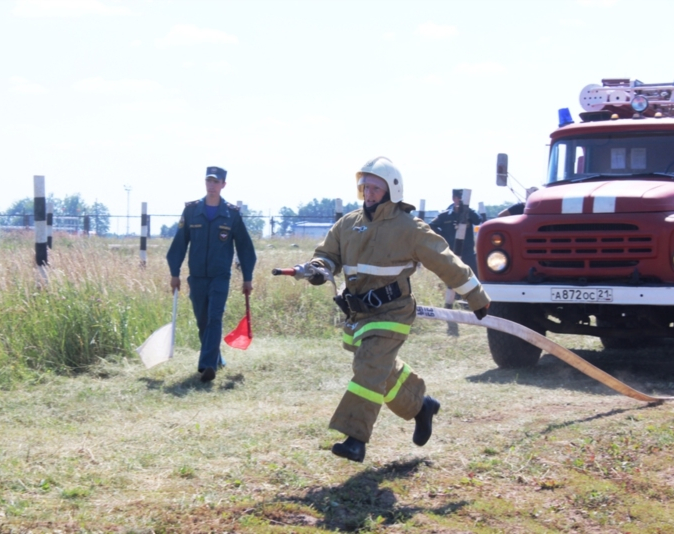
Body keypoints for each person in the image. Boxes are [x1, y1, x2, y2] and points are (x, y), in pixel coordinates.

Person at [297, 157, 491, 463]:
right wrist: (318, 269)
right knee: (377, 368)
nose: (369, 193)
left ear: (392, 190)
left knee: (371, 366)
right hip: (359, 313)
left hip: (394, 312)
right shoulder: (347, 224)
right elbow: (326, 256)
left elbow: (445, 260)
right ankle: (420, 406)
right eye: (365, 187)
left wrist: (476, 296)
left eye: (375, 187)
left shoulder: (409, 227)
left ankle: (355, 438)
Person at [166, 166, 256, 383]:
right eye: (209, 180)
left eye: (216, 181)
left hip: (220, 276)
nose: (212, 185)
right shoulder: (191, 211)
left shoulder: (231, 214)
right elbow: (179, 244)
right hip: (196, 276)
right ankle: (216, 359)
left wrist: (247, 278)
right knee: (203, 321)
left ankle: (207, 366)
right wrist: (174, 273)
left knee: (215, 317)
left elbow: (245, 248)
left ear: (223, 185)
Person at [428, 189, 482, 275]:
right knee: (453, 279)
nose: (460, 200)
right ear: (454, 198)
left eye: (462, 198)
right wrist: (443, 236)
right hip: (452, 251)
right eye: (459, 197)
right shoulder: (445, 215)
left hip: (468, 253)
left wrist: (466, 210)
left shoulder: (470, 212)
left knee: (473, 277)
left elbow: (478, 220)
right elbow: (430, 226)